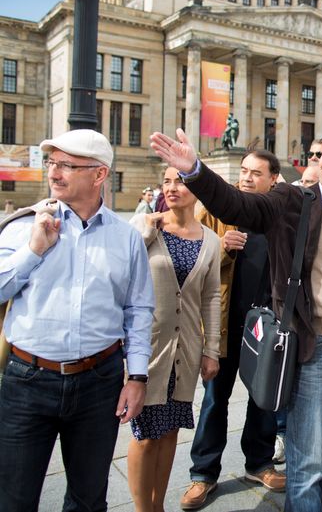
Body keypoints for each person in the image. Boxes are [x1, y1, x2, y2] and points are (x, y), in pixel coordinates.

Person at [150, 128, 322, 512]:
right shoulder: (291, 200)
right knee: (307, 459)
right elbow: (239, 206)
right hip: (313, 345)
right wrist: (195, 170)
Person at [0, 129, 154, 511]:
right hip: (26, 381)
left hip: (98, 382)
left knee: (88, 499)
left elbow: (138, 310)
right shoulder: (25, 225)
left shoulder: (126, 237)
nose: (54, 172)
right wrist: (34, 249)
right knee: (13, 498)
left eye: (66, 165)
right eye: (52, 163)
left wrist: (136, 377)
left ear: (99, 175)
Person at [183, 150, 285, 510]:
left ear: (274, 178)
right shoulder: (214, 209)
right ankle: (203, 474)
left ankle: (259, 463)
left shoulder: (278, 214)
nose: (246, 178)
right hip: (223, 325)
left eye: (256, 173)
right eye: (243, 171)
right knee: (214, 401)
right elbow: (190, 262)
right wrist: (222, 249)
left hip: (265, 326)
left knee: (263, 400)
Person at [127, 166, 221, 512]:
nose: (171, 187)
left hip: (186, 351)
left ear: (198, 188)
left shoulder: (210, 240)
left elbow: (211, 298)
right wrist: (145, 233)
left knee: (169, 432)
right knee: (145, 433)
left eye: (179, 181)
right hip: (147, 348)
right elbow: (123, 272)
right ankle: (143, 509)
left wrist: (211, 349)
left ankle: (158, 504)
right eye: (166, 181)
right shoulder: (147, 226)